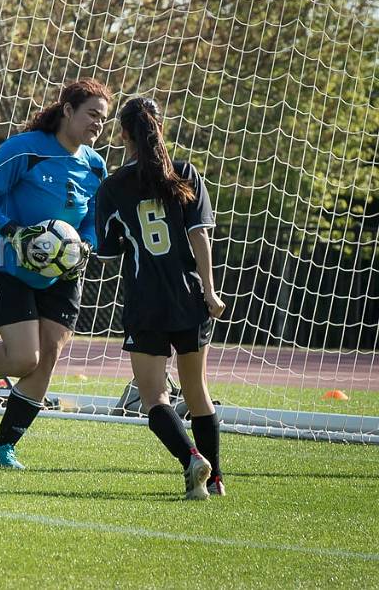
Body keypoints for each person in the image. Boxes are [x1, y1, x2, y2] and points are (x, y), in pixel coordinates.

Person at [0, 78, 111, 469]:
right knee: (25, 357)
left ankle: (3, 447)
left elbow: (95, 220)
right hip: (12, 267)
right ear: (67, 111)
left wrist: (87, 245)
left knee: (48, 360)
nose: (98, 124)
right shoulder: (24, 149)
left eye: (104, 119)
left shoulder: (95, 165)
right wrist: (12, 231)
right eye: (92, 114)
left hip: (64, 275)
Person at [95, 96, 226, 499]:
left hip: (147, 301)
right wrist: (210, 291)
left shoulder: (114, 186)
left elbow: (108, 248)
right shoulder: (186, 173)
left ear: (123, 135)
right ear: (160, 127)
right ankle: (217, 480)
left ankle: (192, 459)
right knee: (198, 391)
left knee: (154, 397)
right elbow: (198, 234)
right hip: (190, 297)